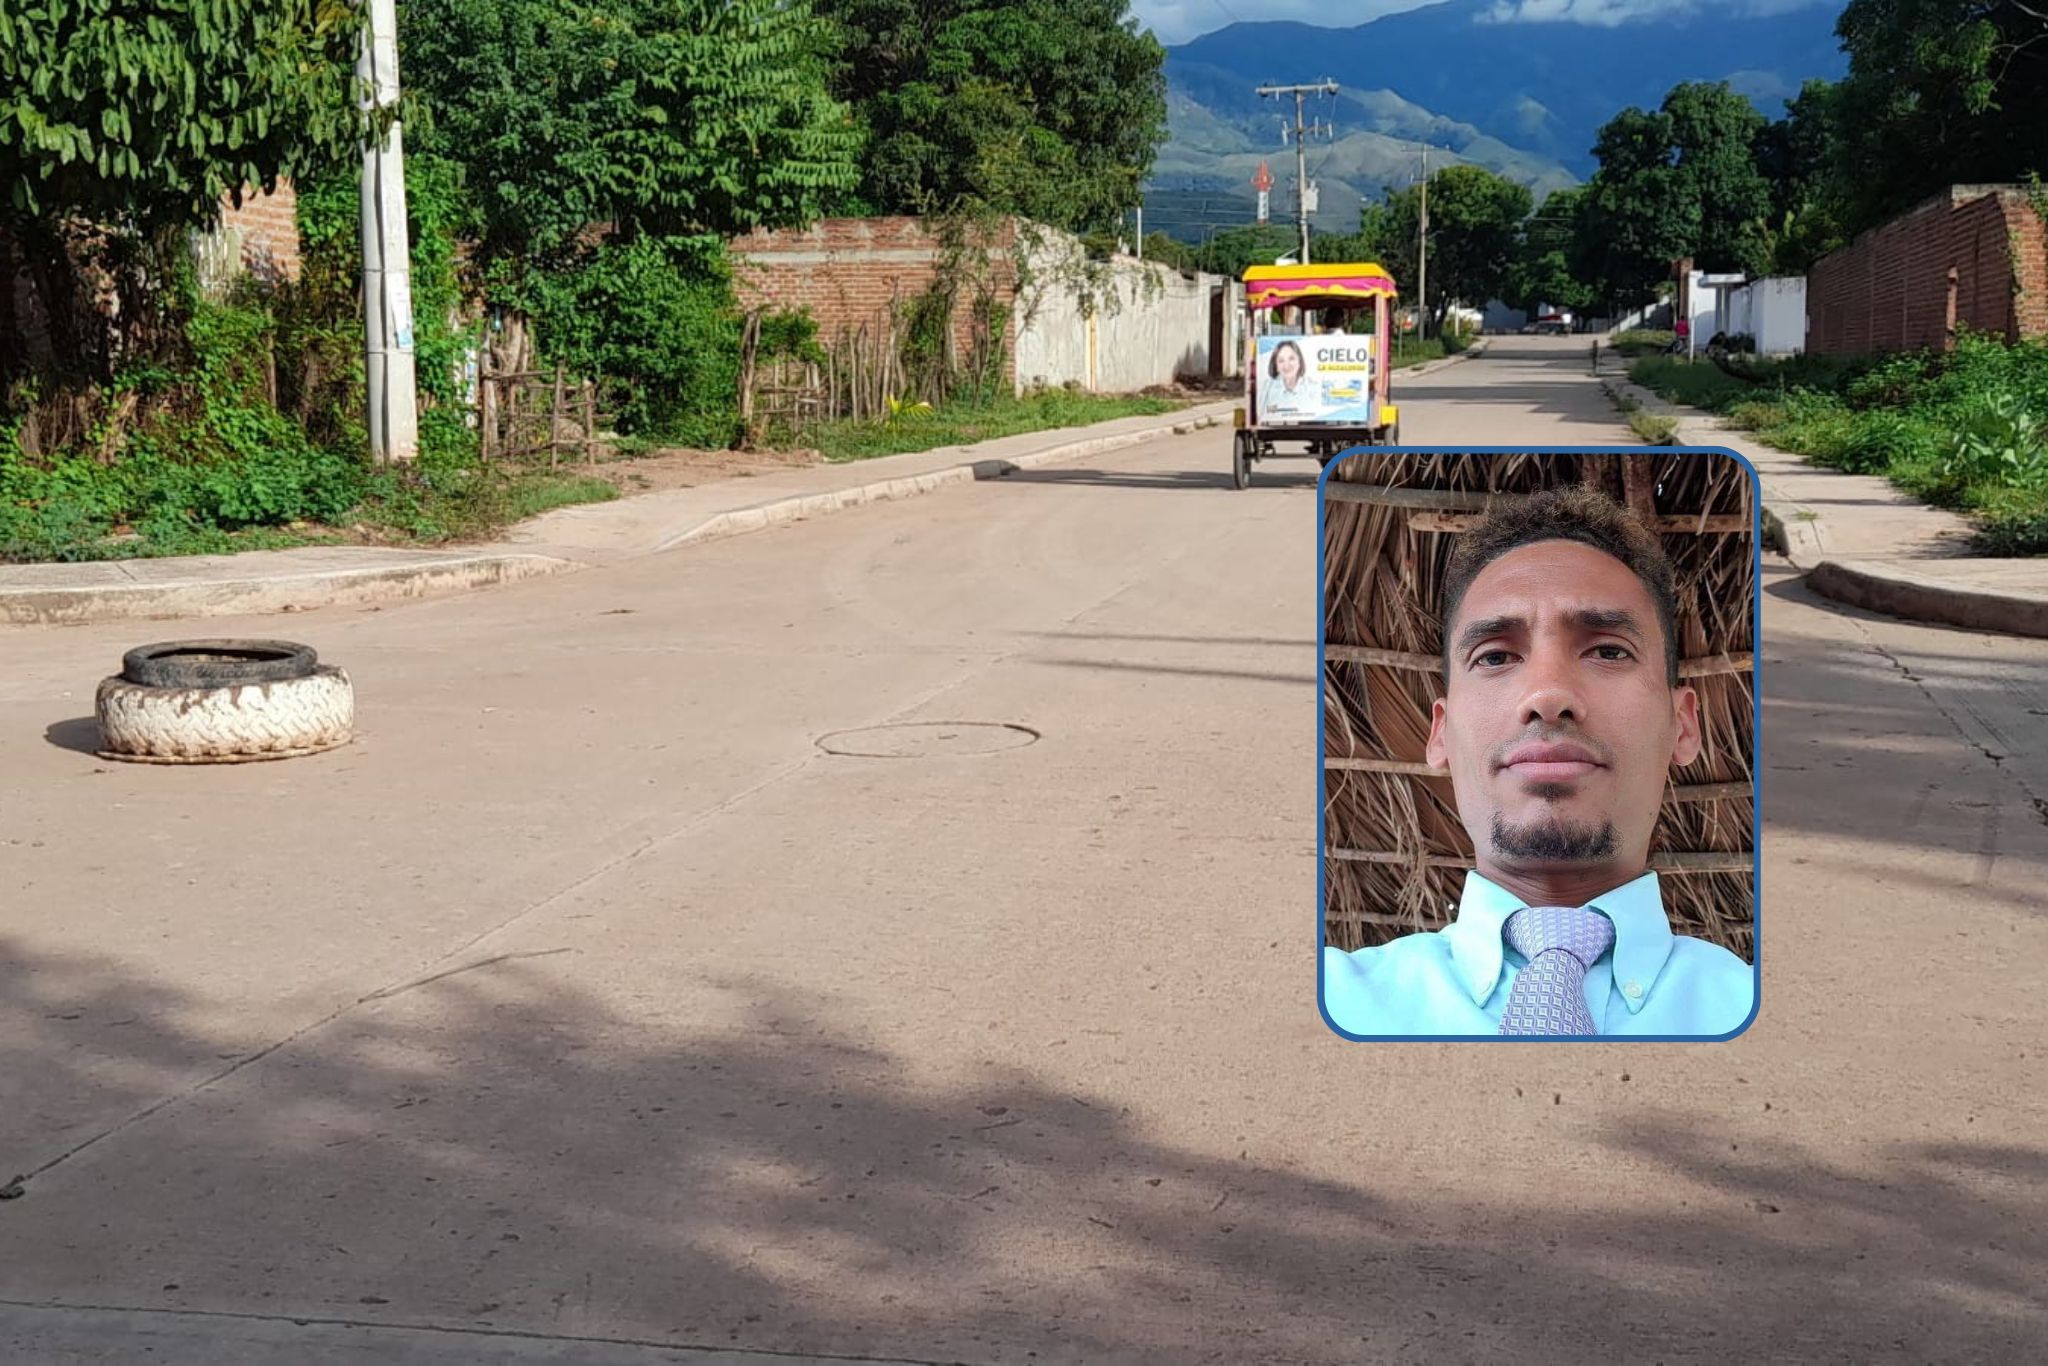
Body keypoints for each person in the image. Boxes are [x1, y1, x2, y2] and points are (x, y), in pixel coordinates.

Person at [1322, 486, 1755, 1038]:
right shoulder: (1335, 996)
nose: (1548, 695)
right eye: (1495, 656)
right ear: (1440, 733)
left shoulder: (1750, 1006)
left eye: (1608, 651)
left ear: (1683, 726)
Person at [1262, 340, 1320, 418]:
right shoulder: (1267, 387)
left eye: (1291, 358)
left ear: (1299, 362)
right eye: (1281, 360)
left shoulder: (1313, 387)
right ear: (1276, 366)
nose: (1287, 365)